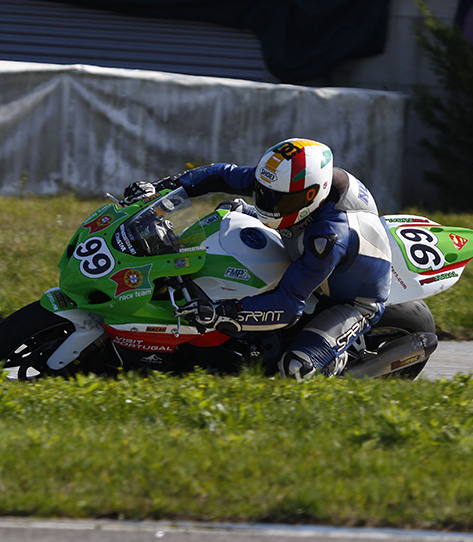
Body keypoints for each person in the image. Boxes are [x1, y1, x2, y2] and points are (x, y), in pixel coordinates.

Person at [124, 138, 393, 380]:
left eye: (279, 201)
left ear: (313, 194)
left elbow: (288, 306)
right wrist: (163, 189)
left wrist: (221, 313)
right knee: (231, 210)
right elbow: (221, 175)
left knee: (296, 368)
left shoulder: (329, 237)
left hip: (351, 299)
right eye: (263, 194)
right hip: (302, 243)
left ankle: (337, 361)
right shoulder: (285, 180)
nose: (268, 206)